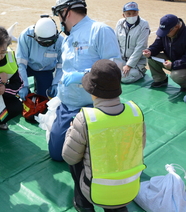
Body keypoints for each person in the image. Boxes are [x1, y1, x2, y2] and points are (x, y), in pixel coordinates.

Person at [62, 59, 146, 212]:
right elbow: (140, 147)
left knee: (75, 154)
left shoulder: (86, 119)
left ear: (92, 91)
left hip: (96, 191)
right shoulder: (135, 113)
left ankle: (84, 204)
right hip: (131, 188)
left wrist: (71, 131)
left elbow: (69, 157)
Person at [49, 0, 121, 161]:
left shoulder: (99, 30)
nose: (59, 19)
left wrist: (85, 76)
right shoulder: (67, 37)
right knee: (57, 153)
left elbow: (115, 66)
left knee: (99, 157)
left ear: (66, 11)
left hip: (94, 107)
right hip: (68, 105)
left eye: (59, 14)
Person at [16, 16, 64, 100]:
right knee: (15, 89)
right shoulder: (25, 36)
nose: (46, 45)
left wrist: (56, 83)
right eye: (42, 42)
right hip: (28, 66)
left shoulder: (61, 41)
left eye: (49, 42)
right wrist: (24, 85)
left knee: (44, 98)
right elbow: (21, 63)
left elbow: (61, 65)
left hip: (45, 70)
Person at [142, 14, 186, 91]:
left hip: (183, 64)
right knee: (152, 58)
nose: (164, 34)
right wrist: (150, 51)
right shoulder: (165, 31)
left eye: (167, 31)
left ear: (177, 27)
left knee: (176, 75)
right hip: (172, 60)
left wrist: (173, 65)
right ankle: (160, 80)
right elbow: (157, 44)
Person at [115, 2, 150, 83]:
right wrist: (118, 60)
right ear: (124, 15)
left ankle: (140, 72)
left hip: (136, 62)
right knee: (105, 70)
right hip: (122, 59)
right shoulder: (120, 23)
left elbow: (141, 47)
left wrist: (129, 65)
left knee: (123, 78)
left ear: (138, 13)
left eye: (134, 13)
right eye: (128, 13)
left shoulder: (144, 24)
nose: (132, 16)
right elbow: (115, 42)